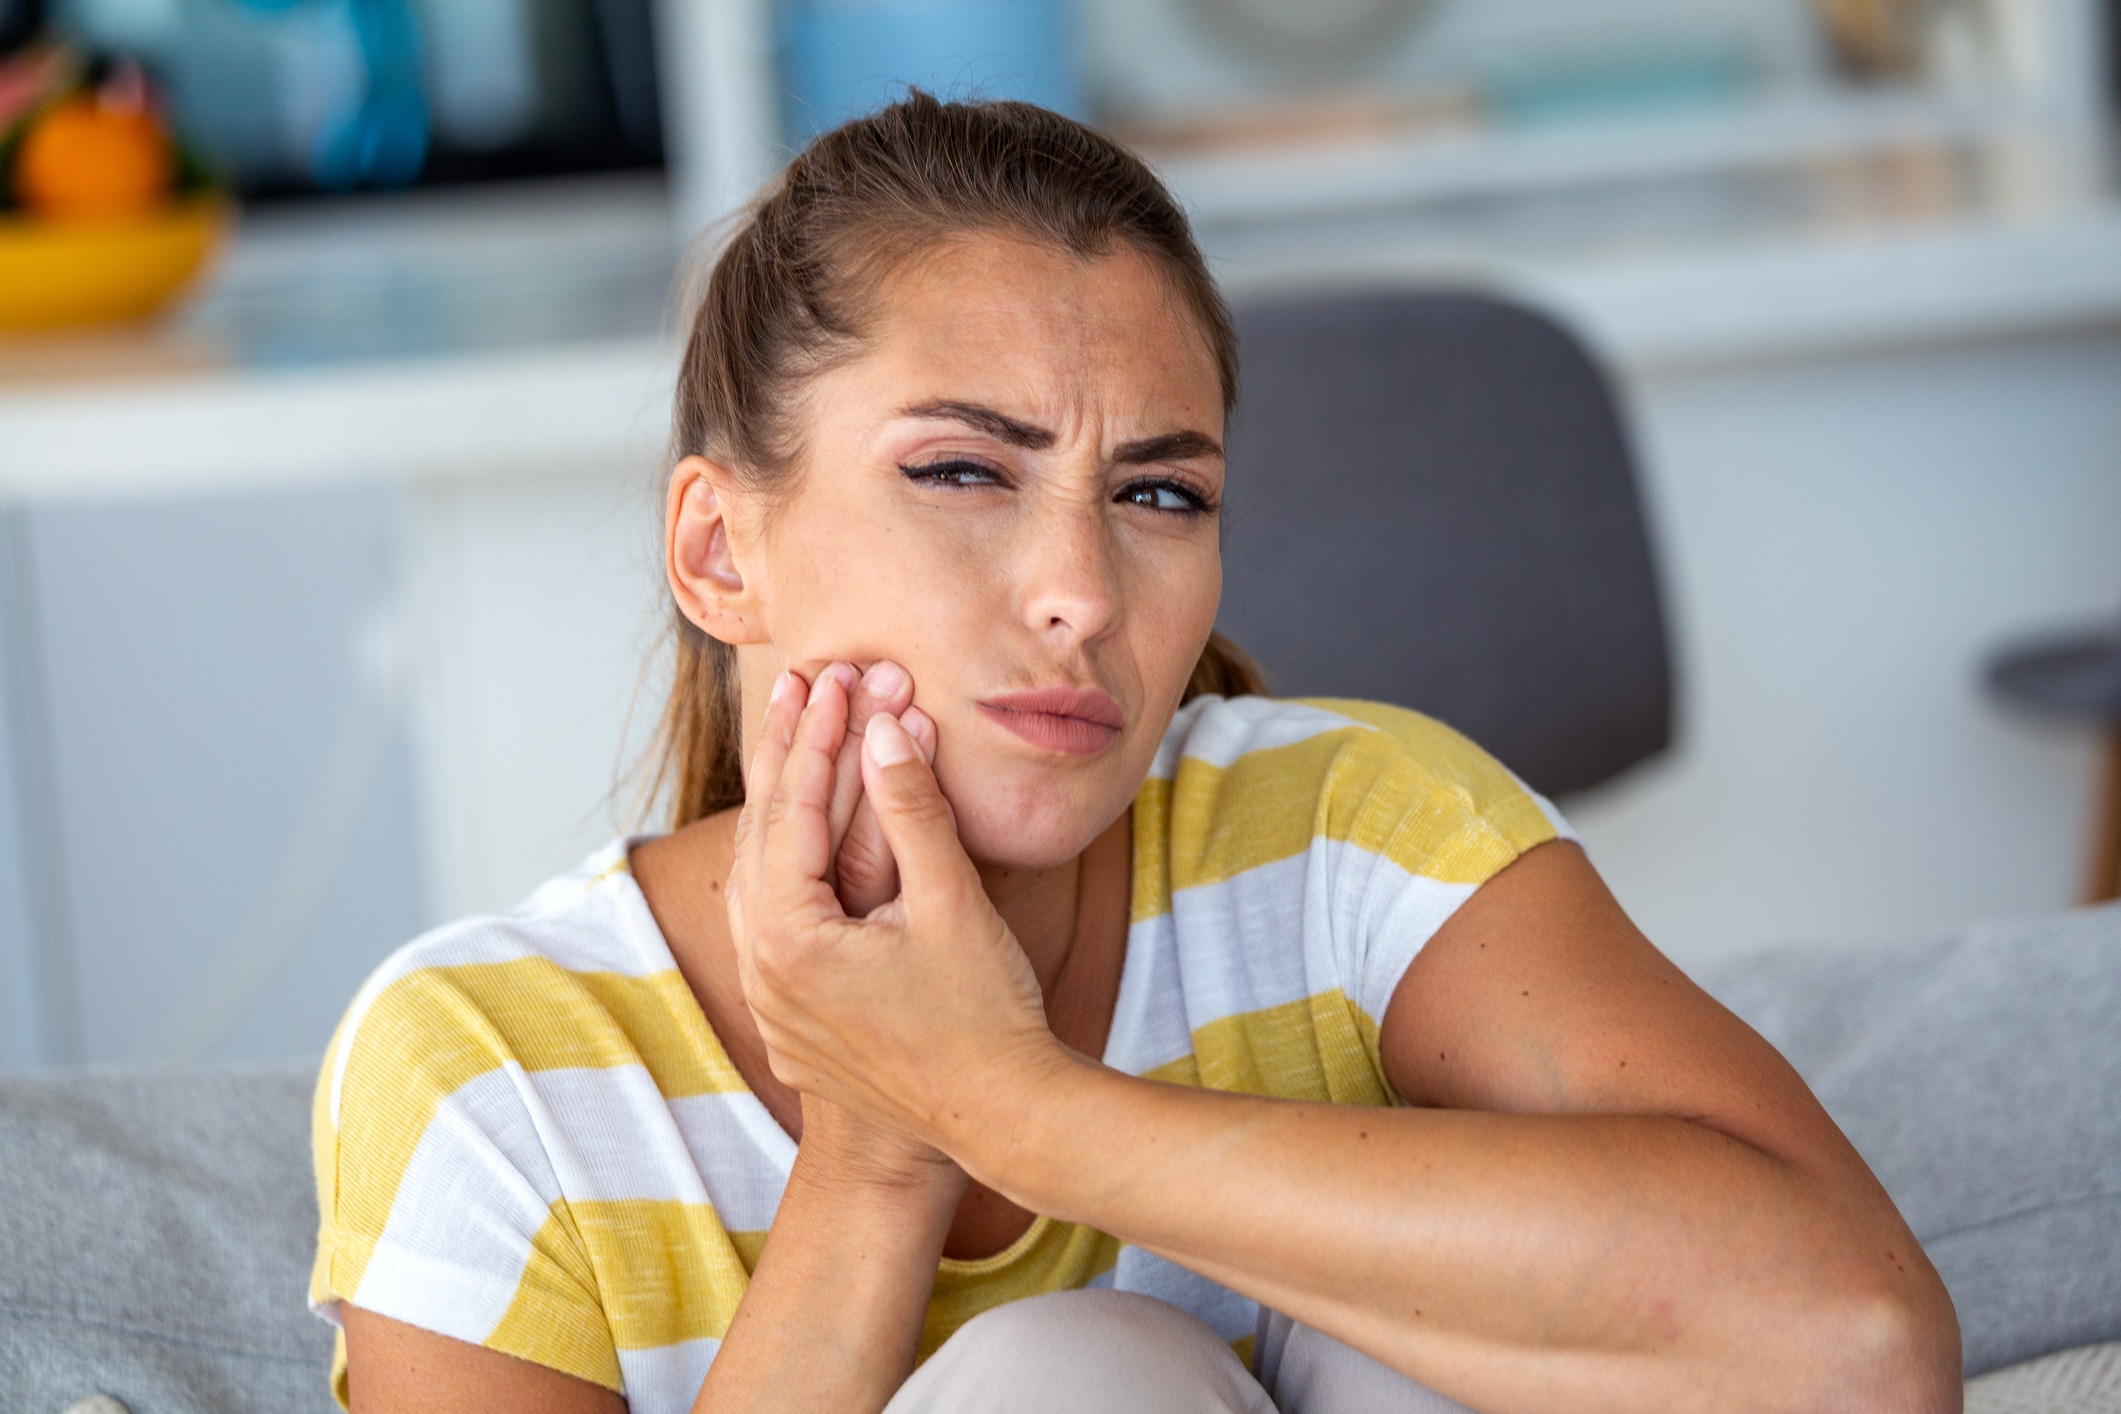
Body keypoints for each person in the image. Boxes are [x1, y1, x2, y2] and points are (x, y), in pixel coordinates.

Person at [310, 94, 1960, 1414]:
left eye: (1159, 494)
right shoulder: (488, 1071)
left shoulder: (1342, 836)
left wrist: (1011, 1103)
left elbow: (1854, 1350)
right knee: (1075, 1378)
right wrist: (881, 1156)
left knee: (1436, 1326)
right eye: (961, 470)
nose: (1082, 596)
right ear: (719, 550)